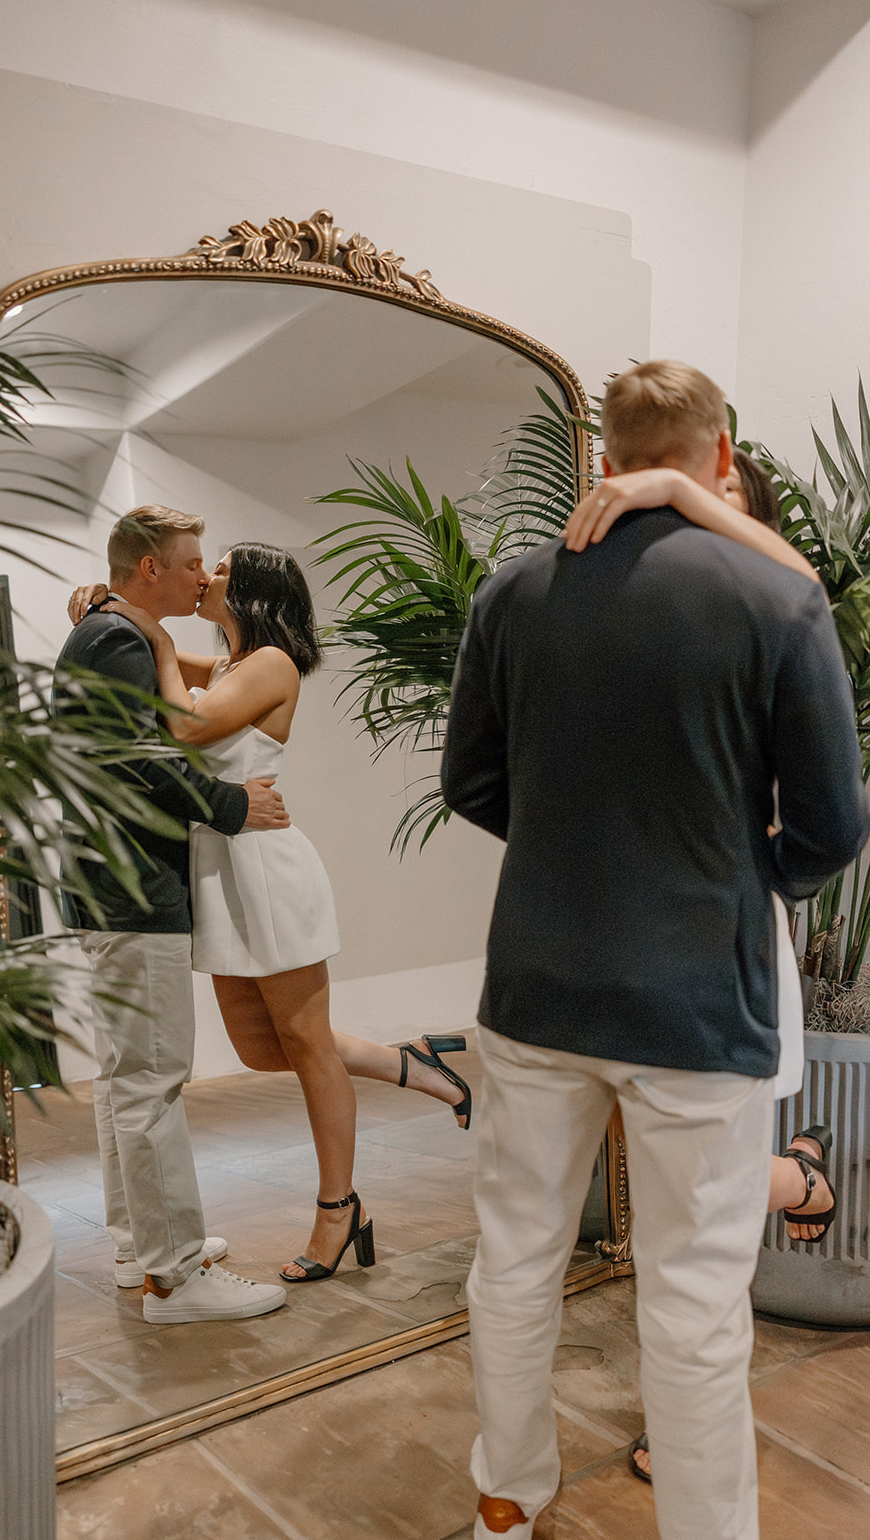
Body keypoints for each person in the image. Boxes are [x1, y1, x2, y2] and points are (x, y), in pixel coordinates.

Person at [441, 361, 868, 1539]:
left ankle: (502, 1503)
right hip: (695, 1001)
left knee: (515, 1256)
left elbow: (467, 780)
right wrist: (740, 877)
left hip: (532, 989)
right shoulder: (773, 598)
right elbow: (831, 825)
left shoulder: (513, 594)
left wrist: (571, 858)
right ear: (720, 459)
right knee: (687, 1297)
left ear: (601, 462)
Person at [71, 542, 472, 1283]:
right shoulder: (228, 664)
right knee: (264, 1048)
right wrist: (124, 619)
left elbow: (186, 727)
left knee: (308, 1045)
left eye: (217, 569)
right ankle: (410, 1064)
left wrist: (153, 634)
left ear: (249, 590)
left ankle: (337, 1210)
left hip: (266, 873)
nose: (204, 577)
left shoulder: (271, 665)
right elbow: (153, 680)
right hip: (222, 876)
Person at [566, 447, 838, 1486]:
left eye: (714, 506)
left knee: (695, 1218)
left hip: (721, 945)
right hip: (626, 949)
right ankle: (796, 1177)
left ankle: (678, 1423)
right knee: (675, 1192)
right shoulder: (649, 630)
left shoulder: (776, 621)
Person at [55, 504, 291, 1325]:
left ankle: (137, 1249)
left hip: (106, 887)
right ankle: (174, 1278)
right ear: (149, 567)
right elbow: (140, 759)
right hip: (131, 890)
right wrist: (231, 804)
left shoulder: (110, 633)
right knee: (151, 1082)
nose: (202, 575)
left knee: (128, 1081)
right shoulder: (116, 638)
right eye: (192, 562)